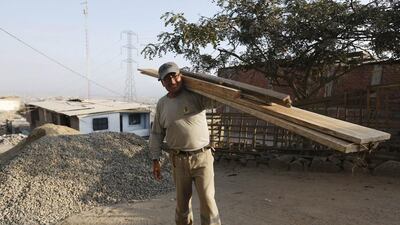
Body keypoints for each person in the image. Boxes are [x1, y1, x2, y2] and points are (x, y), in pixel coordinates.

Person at [149, 62, 221, 225]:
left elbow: (216, 100)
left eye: (174, 76)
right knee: (182, 207)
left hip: (202, 158)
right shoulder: (162, 104)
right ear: (162, 82)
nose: (172, 82)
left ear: (181, 76)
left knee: (208, 202)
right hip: (178, 161)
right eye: (167, 79)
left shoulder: (196, 95)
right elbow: (156, 133)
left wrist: (210, 83)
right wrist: (155, 160)